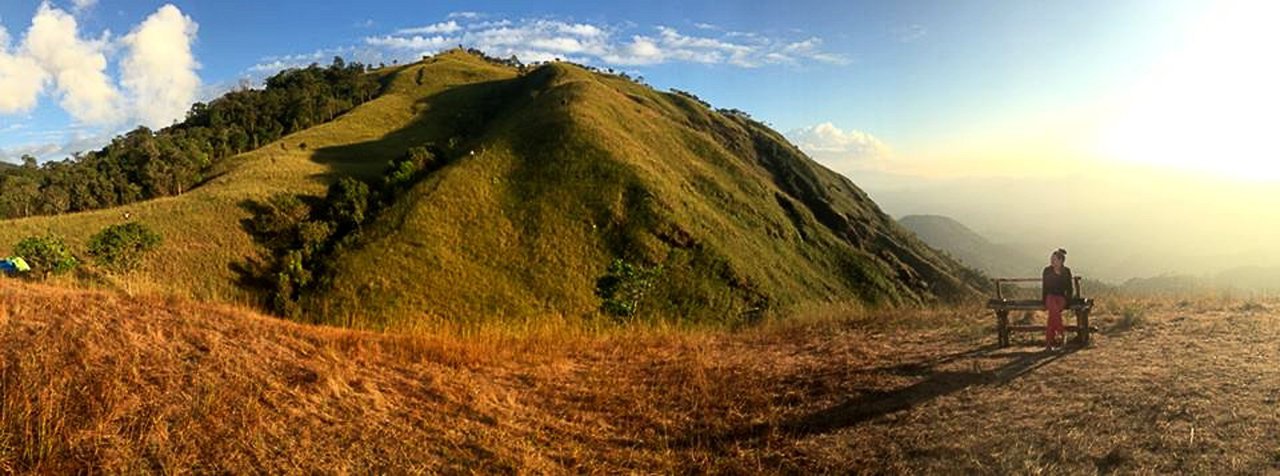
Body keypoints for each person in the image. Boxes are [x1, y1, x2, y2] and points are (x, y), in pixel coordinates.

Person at [1042, 248, 1073, 351]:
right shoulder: (1047, 271)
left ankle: (1049, 343)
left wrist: (1068, 301)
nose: (1051, 261)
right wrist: (1043, 301)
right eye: (1051, 259)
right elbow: (1045, 287)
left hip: (1061, 298)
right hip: (1050, 297)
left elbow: (1069, 288)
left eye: (1054, 259)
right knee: (1054, 311)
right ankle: (1062, 335)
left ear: (1060, 260)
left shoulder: (1066, 271)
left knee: (1052, 316)